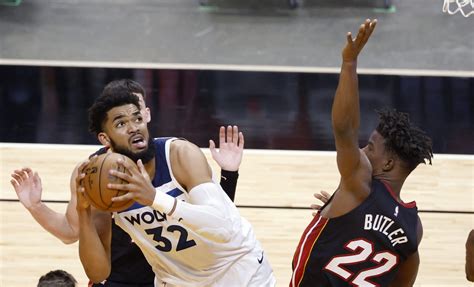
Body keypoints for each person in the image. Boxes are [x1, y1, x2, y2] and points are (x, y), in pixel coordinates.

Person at [10, 79, 244, 287]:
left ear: (146, 115)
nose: (133, 123)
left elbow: (217, 221)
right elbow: (71, 232)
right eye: (121, 120)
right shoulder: (93, 173)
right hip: (119, 277)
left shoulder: (176, 155)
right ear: (107, 130)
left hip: (175, 274)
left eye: (137, 113)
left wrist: (229, 173)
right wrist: (36, 206)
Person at [75, 82, 275, 286]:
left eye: (137, 118)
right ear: (104, 138)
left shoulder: (180, 155)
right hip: (176, 280)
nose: (134, 127)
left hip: (237, 272)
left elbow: (222, 228)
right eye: (121, 124)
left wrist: (154, 198)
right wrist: (83, 212)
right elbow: (98, 273)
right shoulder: (104, 183)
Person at [290, 19, 433, 287]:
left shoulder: (360, 184)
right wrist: (340, 217)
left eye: (369, 147)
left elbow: (344, 129)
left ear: (388, 163)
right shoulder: (413, 228)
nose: (360, 151)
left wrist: (349, 63)